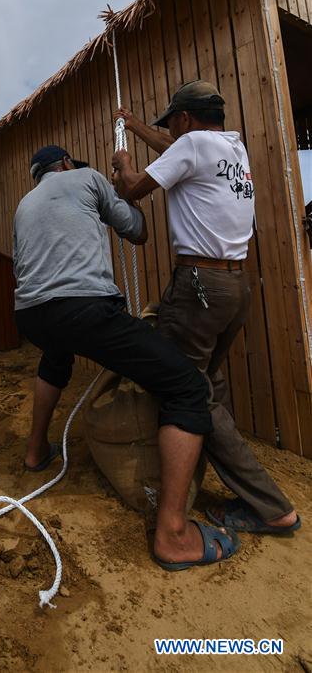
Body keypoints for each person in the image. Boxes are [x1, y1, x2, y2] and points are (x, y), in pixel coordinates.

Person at [13, 144, 240, 570]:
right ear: (65, 165)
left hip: (30, 314)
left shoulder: (26, 203)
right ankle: (173, 535)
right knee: (187, 387)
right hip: (84, 309)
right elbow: (137, 231)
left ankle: (34, 451)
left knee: (56, 357)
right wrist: (122, 194)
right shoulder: (88, 178)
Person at [112, 80, 300, 536]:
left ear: (184, 119)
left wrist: (122, 164)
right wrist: (135, 125)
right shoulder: (230, 149)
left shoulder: (192, 145)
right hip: (233, 286)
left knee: (183, 389)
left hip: (198, 286)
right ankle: (260, 498)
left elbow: (135, 189)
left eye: (172, 124)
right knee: (205, 390)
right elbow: (175, 147)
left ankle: (270, 507)